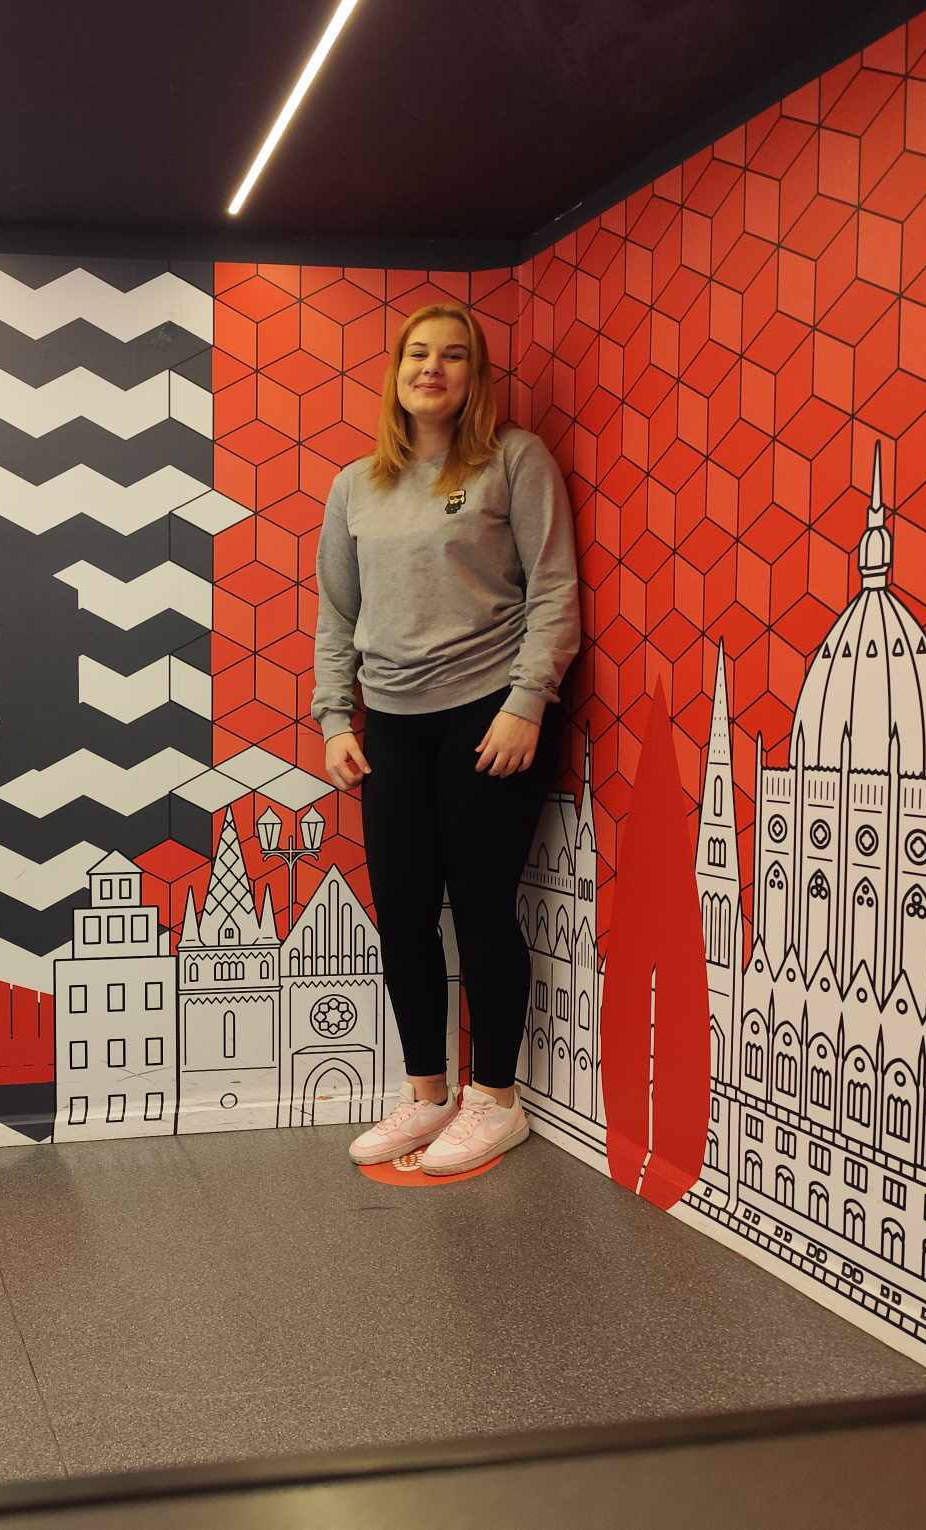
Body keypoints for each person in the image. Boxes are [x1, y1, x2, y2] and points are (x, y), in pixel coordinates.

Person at [312, 303, 580, 1175]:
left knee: (481, 908)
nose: (432, 368)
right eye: (418, 355)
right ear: (396, 374)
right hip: (390, 724)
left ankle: (495, 1101)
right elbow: (337, 614)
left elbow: (553, 590)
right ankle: (429, 1095)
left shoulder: (514, 459)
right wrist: (334, 718)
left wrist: (527, 702)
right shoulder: (356, 486)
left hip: (488, 715)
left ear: (476, 375)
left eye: (453, 356)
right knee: (401, 914)